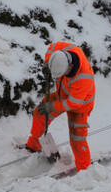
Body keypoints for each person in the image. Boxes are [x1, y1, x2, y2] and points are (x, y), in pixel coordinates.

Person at [25, 40, 96, 170]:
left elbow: (73, 103)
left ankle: (84, 169)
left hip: (80, 105)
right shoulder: (63, 50)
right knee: (39, 113)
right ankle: (33, 145)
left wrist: (52, 107)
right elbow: (52, 47)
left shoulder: (84, 77)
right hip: (62, 94)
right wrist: (47, 63)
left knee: (77, 139)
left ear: (70, 66)